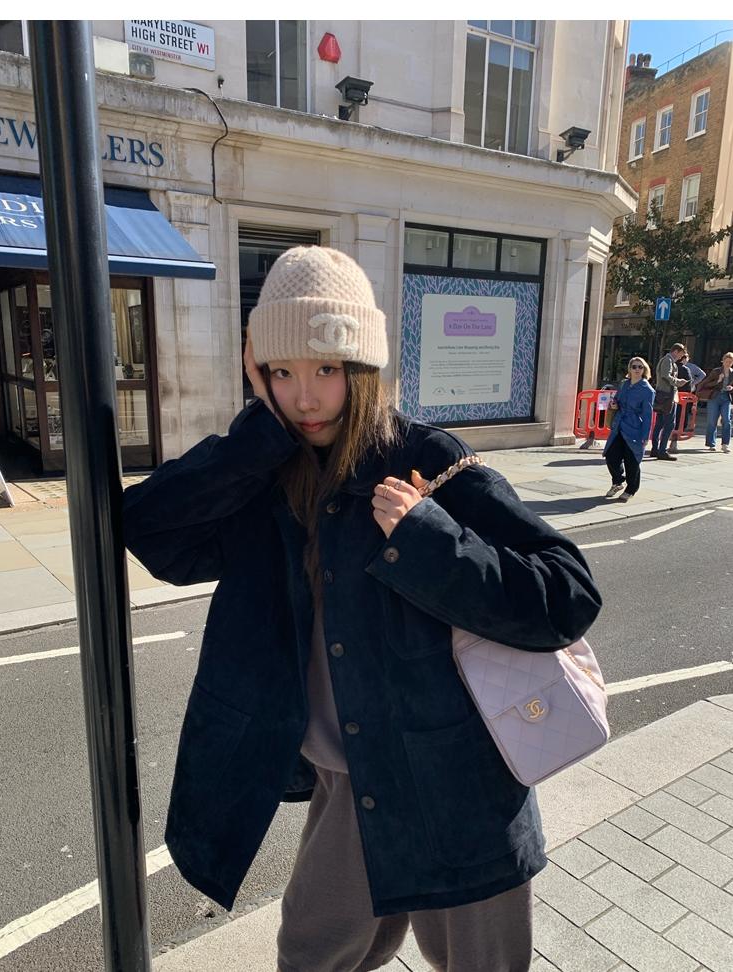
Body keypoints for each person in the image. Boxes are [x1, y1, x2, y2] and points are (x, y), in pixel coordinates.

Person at [122, 247, 602, 972]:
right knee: (310, 952)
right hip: (350, 781)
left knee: (480, 962)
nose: (305, 397)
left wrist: (428, 540)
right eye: (281, 372)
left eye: (326, 369)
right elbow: (152, 532)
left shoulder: (425, 459)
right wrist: (257, 436)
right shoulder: (268, 474)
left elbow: (566, 594)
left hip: (456, 779)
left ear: (363, 367)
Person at [603, 356, 655, 502]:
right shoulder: (624, 384)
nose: (637, 369)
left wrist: (645, 436)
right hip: (619, 426)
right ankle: (618, 481)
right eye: (634, 367)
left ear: (644, 370)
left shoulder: (647, 390)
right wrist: (614, 404)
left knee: (632, 460)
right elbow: (617, 399)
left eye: (640, 367)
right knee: (611, 455)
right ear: (630, 369)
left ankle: (631, 489)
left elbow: (647, 415)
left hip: (635, 428)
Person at [650, 343, 689, 461]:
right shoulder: (668, 360)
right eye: (681, 354)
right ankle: (662, 450)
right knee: (669, 424)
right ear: (676, 351)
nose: (680, 357)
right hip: (668, 396)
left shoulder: (668, 361)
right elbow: (665, 376)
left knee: (660, 423)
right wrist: (678, 382)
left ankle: (655, 449)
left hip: (665, 395)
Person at [696, 351, 733, 453]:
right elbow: (706, 384)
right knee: (712, 421)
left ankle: (725, 444)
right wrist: (718, 381)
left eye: (730, 362)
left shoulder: (732, 373)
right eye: (727, 361)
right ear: (723, 361)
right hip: (714, 397)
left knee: (727, 420)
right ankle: (711, 444)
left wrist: (731, 388)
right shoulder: (716, 371)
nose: (728, 364)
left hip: (726, 398)